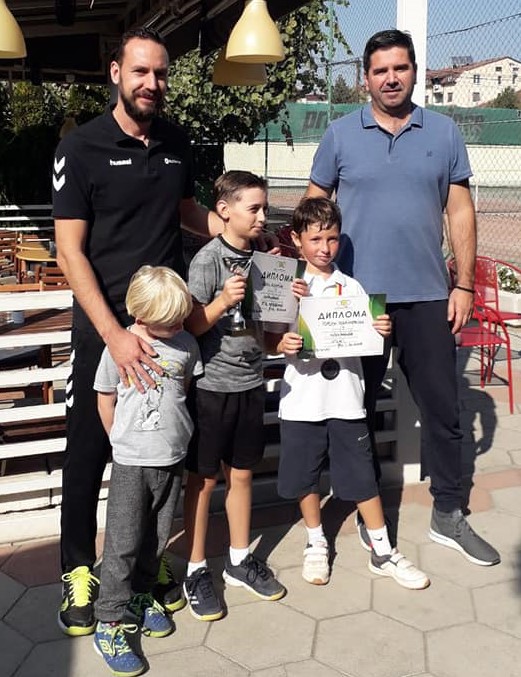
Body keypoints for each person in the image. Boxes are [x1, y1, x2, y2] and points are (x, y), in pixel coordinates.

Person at [52, 27, 226, 636]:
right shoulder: (81, 147)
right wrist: (114, 335)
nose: (152, 83)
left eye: (160, 73)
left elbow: (186, 213)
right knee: (89, 450)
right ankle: (79, 570)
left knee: (162, 452)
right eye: (140, 71)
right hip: (104, 329)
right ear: (116, 74)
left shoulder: (176, 142)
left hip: (168, 330)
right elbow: (69, 251)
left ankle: (147, 569)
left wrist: (236, 231)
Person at [305, 29, 500, 567]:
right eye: (380, 70)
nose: (391, 78)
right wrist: (312, 284)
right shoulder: (340, 136)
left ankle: (448, 513)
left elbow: (459, 211)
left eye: (400, 68)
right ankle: (368, 515)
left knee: (443, 408)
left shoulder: (444, 132)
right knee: (355, 410)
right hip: (355, 301)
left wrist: (463, 283)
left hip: (428, 297)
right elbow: (313, 211)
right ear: (364, 78)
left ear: (414, 71)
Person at [265, 197, 429, 589]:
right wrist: (283, 343)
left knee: (361, 476)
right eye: (315, 239)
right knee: (305, 477)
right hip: (302, 401)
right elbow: (269, 339)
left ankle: (382, 550)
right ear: (296, 239)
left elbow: (366, 338)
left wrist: (381, 329)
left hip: (346, 400)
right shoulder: (287, 286)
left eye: (332, 239)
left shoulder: (352, 287)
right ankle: (316, 541)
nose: (325, 248)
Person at [182, 170, 286, 621]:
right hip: (211, 387)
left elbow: (269, 325)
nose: (262, 217)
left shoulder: (264, 259)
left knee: (241, 475)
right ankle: (195, 569)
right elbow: (190, 325)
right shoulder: (207, 260)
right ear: (224, 210)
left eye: (265, 208)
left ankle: (239, 560)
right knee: (203, 481)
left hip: (250, 383)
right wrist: (223, 301)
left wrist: (285, 290)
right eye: (254, 208)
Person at [92, 265, 202, 676]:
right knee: (122, 543)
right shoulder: (119, 346)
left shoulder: (186, 344)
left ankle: (140, 595)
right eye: (169, 321)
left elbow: (182, 390)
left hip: (171, 459)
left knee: (156, 537)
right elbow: (105, 396)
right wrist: (118, 439)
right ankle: (109, 621)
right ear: (140, 315)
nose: (178, 326)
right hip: (132, 462)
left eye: (180, 319)